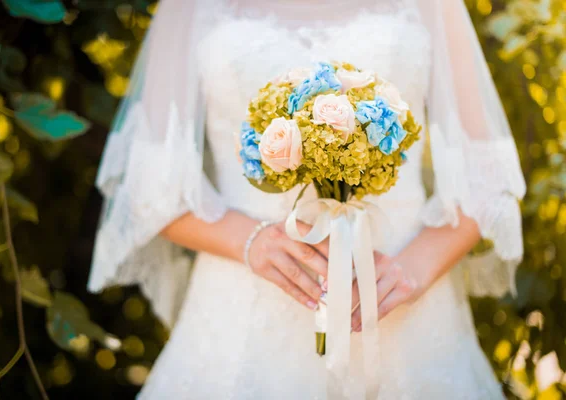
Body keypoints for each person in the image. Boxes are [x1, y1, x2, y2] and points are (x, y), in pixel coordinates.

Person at [88, 0, 526, 398]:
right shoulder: (189, 7)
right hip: (243, 314)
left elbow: (487, 178)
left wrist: (413, 269)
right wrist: (253, 241)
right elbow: (151, 187)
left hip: (406, 313)